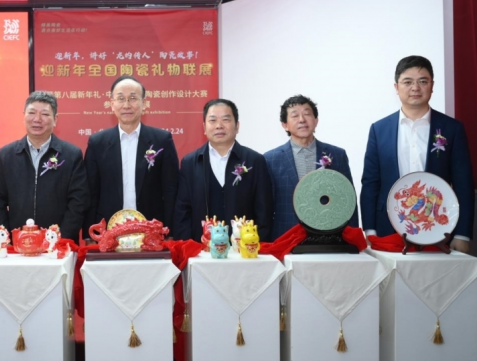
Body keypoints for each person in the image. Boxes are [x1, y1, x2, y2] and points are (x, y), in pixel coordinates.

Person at [360, 55, 474, 253]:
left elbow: (463, 184)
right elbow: (370, 183)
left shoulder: (452, 129)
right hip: (388, 228)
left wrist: (462, 234)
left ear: (432, 85)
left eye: (423, 81)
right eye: (408, 82)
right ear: (396, 87)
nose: (415, 88)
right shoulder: (379, 130)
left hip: (439, 228)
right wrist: (369, 230)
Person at [84, 76, 179, 238]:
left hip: (151, 230)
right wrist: (89, 235)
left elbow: (171, 190)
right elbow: (91, 192)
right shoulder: (97, 143)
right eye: (121, 99)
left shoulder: (162, 140)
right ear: (112, 104)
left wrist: (170, 232)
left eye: (133, 98)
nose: (127, 105)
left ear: (144, 104)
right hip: (108, 232)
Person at [0, 91, 88, 241]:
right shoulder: (7, 155)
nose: (37, 119)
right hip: (17, 243)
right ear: (24, 116)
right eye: (32, 113)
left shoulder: (71, 155)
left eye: (45, 114)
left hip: (59, 244)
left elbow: (78, 202)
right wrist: (5, 237)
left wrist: (60, 239)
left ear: (55, 119)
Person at [175, 99, 273, 242]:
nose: (219, 126)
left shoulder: (254, 161)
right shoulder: (190, 163)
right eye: (212, 120)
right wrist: (188, 248)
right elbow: (183, 211)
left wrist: (257, 245)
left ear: (237, 126)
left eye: (226, 120)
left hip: (244, 248)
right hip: (202, 249)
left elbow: (264, 210)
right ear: (204, 127)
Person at [264, 95, 358, 240]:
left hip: (329, 237)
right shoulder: (270, 159)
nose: (302, 119)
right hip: (286, 237)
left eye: (307, 114)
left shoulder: (337, 155)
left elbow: (348, 199)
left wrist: (353, 238)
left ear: (316, 120)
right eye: (295, 115)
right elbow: (265, 207)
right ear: (285, 125)